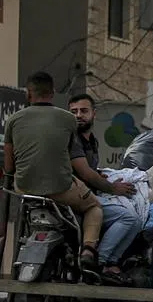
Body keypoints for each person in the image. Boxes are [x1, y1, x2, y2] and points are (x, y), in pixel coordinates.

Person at [3, 73, 103, 271]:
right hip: (61, 188)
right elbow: (69, 155)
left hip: (25, 188)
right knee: (94, 208)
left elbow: (9, 166)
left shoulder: (13, 120)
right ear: (53, 93)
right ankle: (88, 250)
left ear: (28, 94)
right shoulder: (68, 119)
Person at [68, 93, 142, 280]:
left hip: (90, 193)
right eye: (73, 112)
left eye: (83, 111)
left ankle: (110, 262)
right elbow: (85, 173)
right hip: (78, 197)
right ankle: (98, 261)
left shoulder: (92, 140)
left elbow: (90, 171)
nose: (78, 115)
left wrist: (102, 176)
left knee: (136, 218)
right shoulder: (72, 139)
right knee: (129, 218)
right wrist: (113, 188)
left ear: (94, 113)